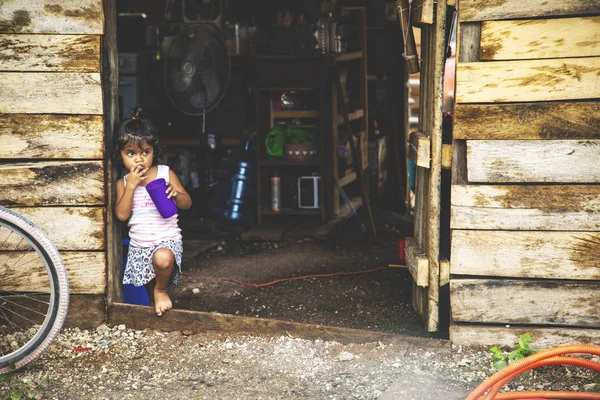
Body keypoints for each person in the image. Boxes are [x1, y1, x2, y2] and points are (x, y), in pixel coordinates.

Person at [114, 108, 192, 316]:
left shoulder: (165, 173)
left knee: (163, 259)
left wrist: (175, 193)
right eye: (131, 153)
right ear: (120, 155)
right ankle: (156, 305)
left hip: (167, 239)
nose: (139, 160)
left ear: (153, 152)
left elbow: (187, 204)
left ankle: (161, 290)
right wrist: (131, 186)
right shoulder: (122, 183)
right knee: (150, 292)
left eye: (145, 152)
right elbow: (121, 216)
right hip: (140, 245)